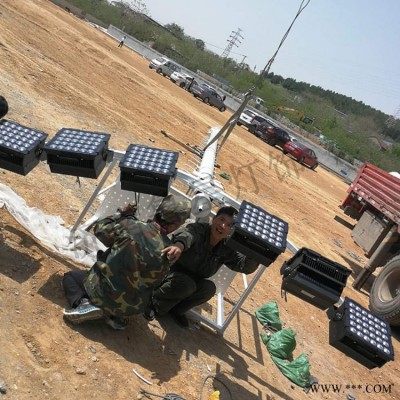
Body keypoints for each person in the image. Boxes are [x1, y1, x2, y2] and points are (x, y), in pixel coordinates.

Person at [62, 194, 191, 330]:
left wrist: (120, 214)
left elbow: (100, 230)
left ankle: (85, 304)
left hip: (103, 292)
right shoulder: (169, 251)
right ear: (175, 225)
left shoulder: (131, 226)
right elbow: (156, 282)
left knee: (70, 278)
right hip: (132, 306)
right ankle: (116, 317)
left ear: (159, 211)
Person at [148, 206, 259, 328]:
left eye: (228, 225)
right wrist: (179, 245)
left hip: (192, 281)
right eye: (221, 219)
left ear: (231, 230)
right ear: (214, 219)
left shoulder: (226, 248)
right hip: (171, 273)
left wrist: (254, 251)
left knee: (209, 288)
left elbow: (244, 266)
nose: (222, 226)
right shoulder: (198, 229)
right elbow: (187, 235)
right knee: (187, 284)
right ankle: (154, 303)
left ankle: (176, 310)